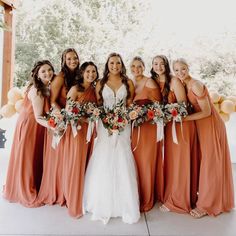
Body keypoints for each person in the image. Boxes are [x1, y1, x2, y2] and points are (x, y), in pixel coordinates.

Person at [173, 58, 234, 217]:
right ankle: (208, 197)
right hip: (201, 126)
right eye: (177, 70)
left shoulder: (196, 85)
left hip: (211, 125)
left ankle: (207, 205)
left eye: (183, 69)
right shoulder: (184, 85)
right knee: (206, 162)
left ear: (188, 68)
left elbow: (207, 112)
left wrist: (184, 119)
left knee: (211, 164)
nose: (180, 73)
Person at [83, 53, 140, 224]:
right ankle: (102, 201)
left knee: (122, 156)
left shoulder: (128, 81)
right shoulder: (100, 83)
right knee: (104, 157)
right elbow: (99, 104)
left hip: (124, 125)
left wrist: (126, 115)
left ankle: (124, 203)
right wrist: (106, 118)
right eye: (111, 62)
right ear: (107, 64)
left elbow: (130, 102)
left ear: (122, 64)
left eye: (118, 63)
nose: (114, 65)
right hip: (104, 124)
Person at [151, 55, 199, 214]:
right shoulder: (155, 82)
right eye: (155, 64)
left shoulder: (174, 81)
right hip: (170, 126)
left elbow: (183, 106)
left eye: (161, 64)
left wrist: (167, 114)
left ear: (166, 66)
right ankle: (173, 194)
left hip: (181, 125)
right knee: (173, 162)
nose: (158, 66)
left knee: (180, 162)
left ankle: (178, 201)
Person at [3, 60, 55, 207]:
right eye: (43, 71)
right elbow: (38, 117)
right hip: (31, 125)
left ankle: (27, 185)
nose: (47, 73)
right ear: (37, 75)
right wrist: (54, 126)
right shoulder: (37, 90)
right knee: (28, 156)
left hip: (34, 124)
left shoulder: (45, 86)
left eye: (49, 70)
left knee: (31, 155)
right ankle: (25, 190)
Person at [37, 48, 80, 206]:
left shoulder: (78, 75)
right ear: (63, 61)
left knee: (68, 159)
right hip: (61, 120)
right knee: (59, 158)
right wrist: (61, 114)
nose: (72, 61)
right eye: (68, 59)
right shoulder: (60, 77)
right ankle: (57, 191)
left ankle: (68, 190)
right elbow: (52, 100)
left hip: (73, 121)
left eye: (74, 58)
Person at [63, 61, 98, 218]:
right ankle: (73, 201)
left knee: (87, 163)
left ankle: (85, 197)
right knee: (76, 164)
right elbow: (68, 111)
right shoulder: (75, 89)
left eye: (94, 71)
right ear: (82, 73)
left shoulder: (95, 88)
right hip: (77, 130)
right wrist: (84, 119)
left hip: (90, 131)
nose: (91, 74)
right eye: (88, 71)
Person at [130, 56, 162, 212]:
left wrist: (144, 114)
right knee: (135, 163)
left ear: (144, 67)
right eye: (133, 66)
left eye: (139, 66)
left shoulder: (149, 82)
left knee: (146, 162)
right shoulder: (130, 82)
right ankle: (136, 196)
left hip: (148, 128)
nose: (136, 69)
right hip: (134, 129)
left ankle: (147, 198)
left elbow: (158, 107)